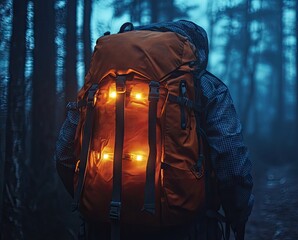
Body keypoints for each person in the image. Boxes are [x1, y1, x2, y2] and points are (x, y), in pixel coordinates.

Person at [55, 20, 253, 240]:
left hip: (105, 227)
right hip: (185, 227)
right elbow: (231, 160)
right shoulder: (205, 85)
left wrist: (94, 201)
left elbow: (64, 154)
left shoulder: (97, 84)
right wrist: (238, 214)